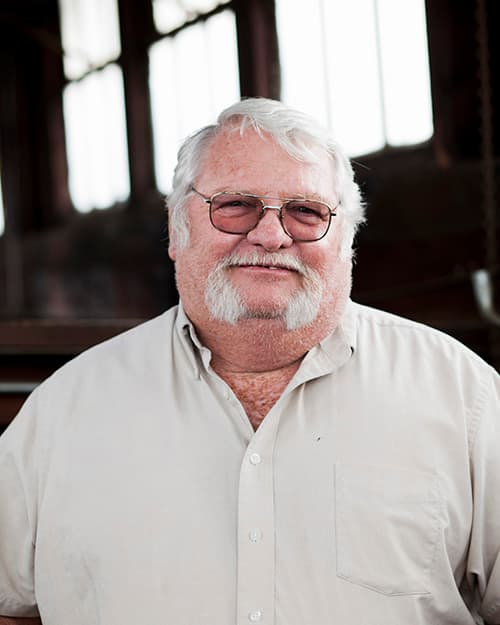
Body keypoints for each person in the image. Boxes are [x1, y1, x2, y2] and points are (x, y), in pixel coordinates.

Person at [0, 98, 499, 625]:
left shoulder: (464, 398)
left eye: (306, 212)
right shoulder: (64, 411)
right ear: (176, 230)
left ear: (347, 240)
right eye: (235, 205)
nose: (270, 235)